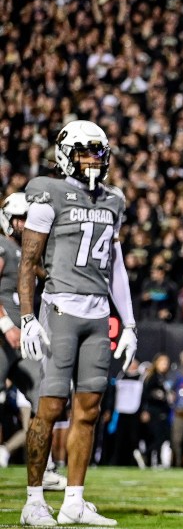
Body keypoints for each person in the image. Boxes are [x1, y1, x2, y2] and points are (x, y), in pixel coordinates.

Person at [18, 120, 139, 526]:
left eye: (98, 151)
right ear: (66, 154)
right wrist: (28, 316)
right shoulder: (47, 192)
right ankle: (34, 501)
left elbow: (116, 266)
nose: (92, 159)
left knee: (88, 410)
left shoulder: (114, 199)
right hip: (61, 310)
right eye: (84, 151)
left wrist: (131, 322)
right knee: (50, 407)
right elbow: (29, 262)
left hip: (98, 314)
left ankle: (74, 501)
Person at [0, 194, 43, 465]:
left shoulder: (28, 254)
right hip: (4, 336)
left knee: (45, 392)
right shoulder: (3, 246)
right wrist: (6, 325)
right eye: (21, 218)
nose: (25, 225)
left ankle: (43, 466)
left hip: (22, 338)